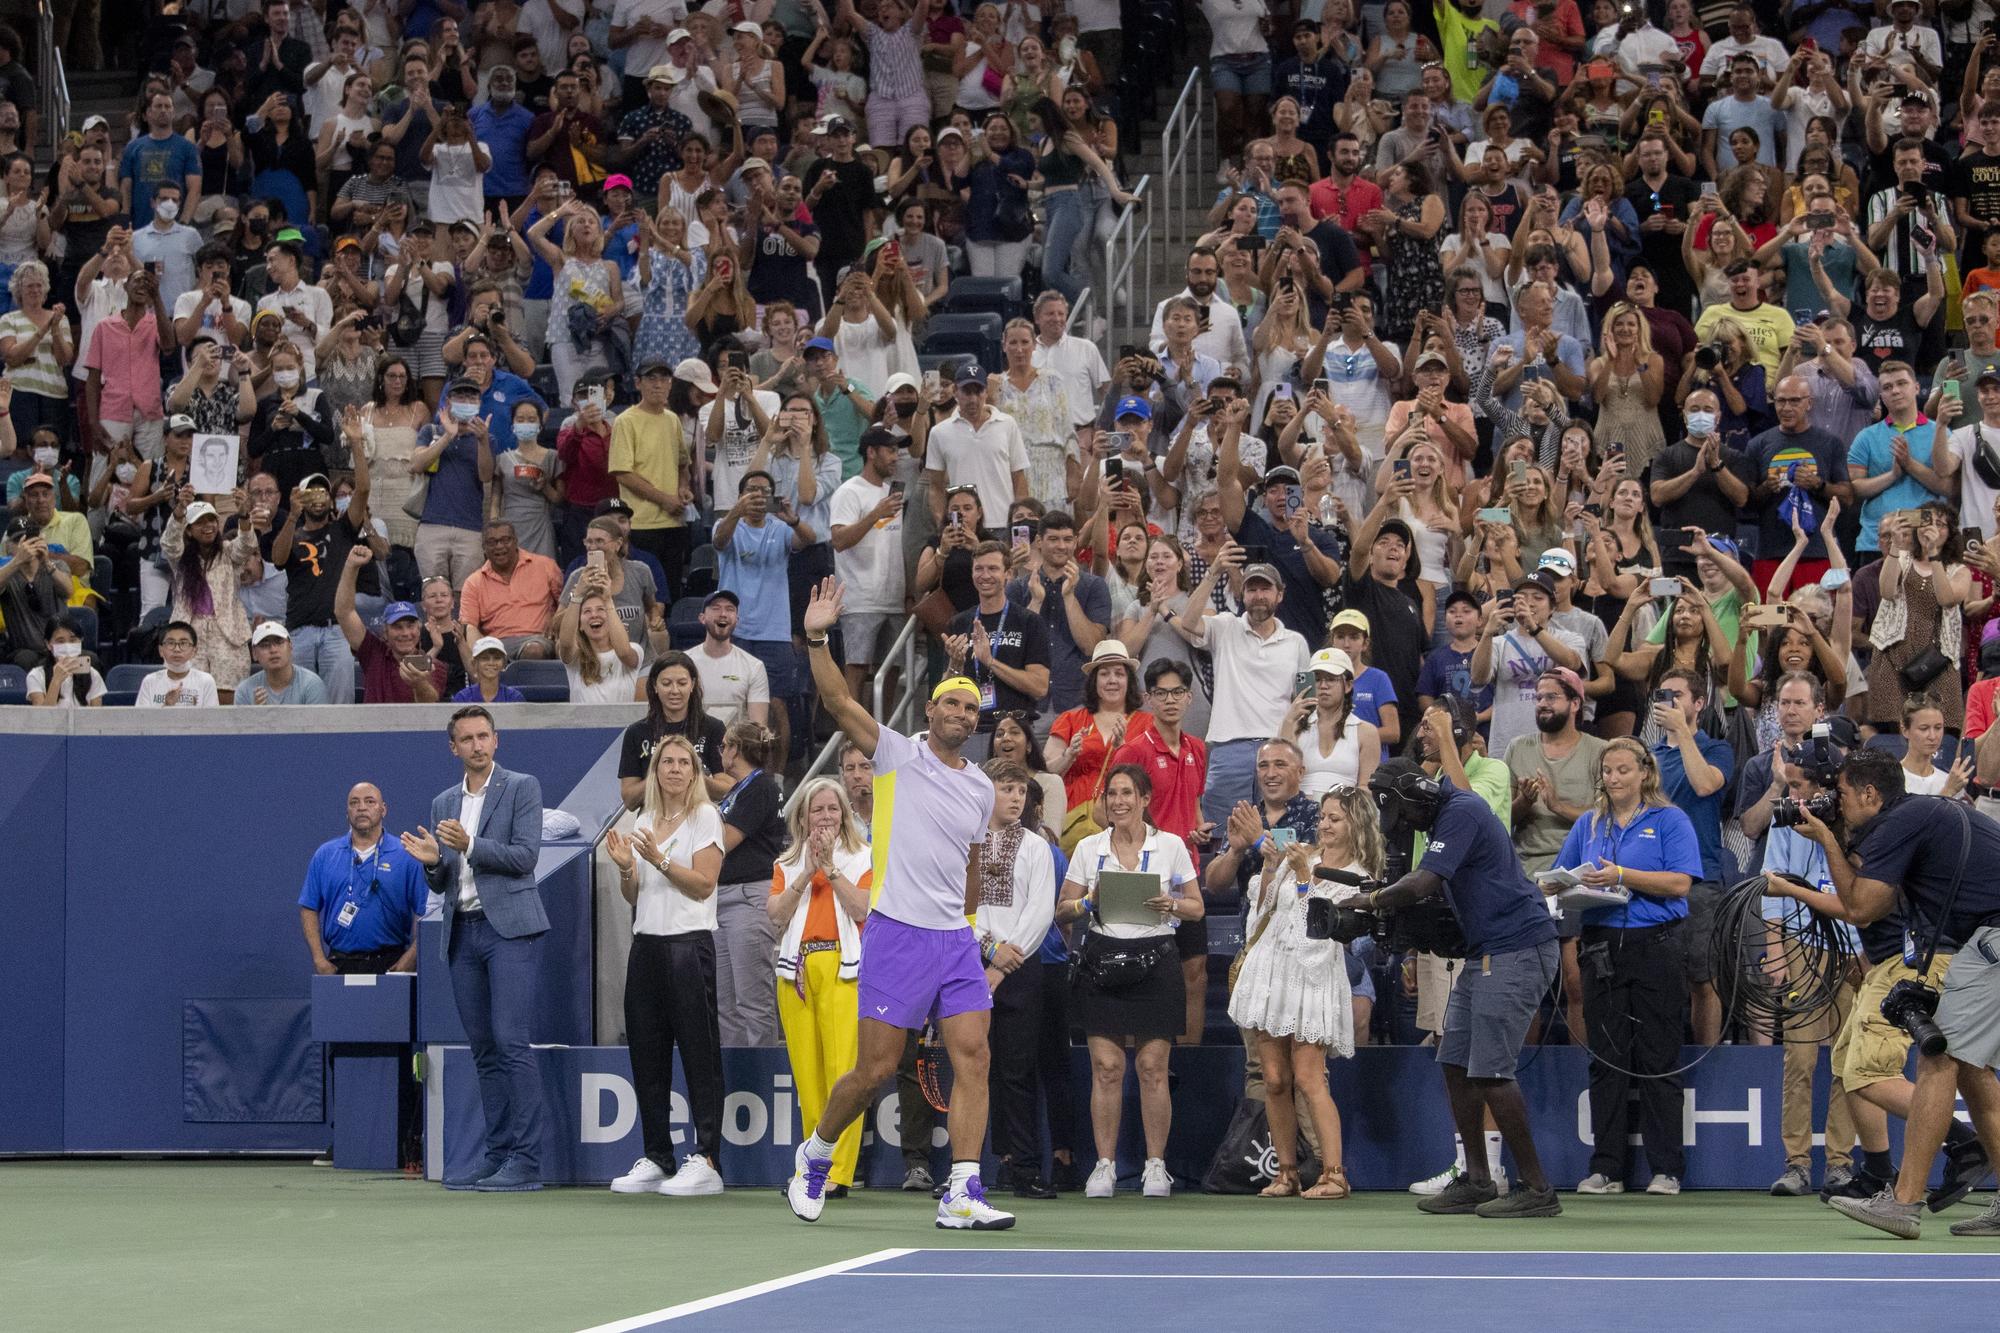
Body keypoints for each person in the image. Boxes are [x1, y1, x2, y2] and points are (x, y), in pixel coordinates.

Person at [784, 578, 1014, 1232]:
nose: (963, 716)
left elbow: (972, 869)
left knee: (975, 1055)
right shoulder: (897, 754)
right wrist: (818, 636)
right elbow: (835, 697)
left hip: (953, 942)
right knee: (874, 1070)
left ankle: (963, 1190)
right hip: (897, 936)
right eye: (953, 705)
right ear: (931, 710)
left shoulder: (980, 791)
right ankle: (816, 1154)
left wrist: (969, 931)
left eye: (972, 711)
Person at [1802, 750, 2000, 1239]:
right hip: (1986, 938)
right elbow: (1877, 900)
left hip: (1991, 939)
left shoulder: (1902, 819)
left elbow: (1863, 908)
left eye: (1842, 796)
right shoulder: (1919, 814)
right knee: (1973, 1072)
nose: (1837, 805)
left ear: (1871, 794)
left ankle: (1904, 1202)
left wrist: (1827, 839)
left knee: (1940, 1061)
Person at [1359, 758, 1562, 1218]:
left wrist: (1370, 900)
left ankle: (1537, 1189)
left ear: (1415, 797)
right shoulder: (1442, 818)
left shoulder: (1462, 808)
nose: (1406, 825)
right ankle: (1476, 1179)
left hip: (1517, 947)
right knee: (1454, 1061)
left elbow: (1424, 882)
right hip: (1486, 950)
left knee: (1491, 1069)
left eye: (1405, 815)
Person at [401, 706, 548, 1192]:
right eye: (466, 739)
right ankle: (498, 1154)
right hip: (461, 931)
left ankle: (526, 1163)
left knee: (510, 1042)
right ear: (454, 747)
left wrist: (470, 844)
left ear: (496, 740)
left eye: (483, 736)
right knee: (484, 1050)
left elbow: (525, 857)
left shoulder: (522, 787)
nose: (477, 745)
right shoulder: (443, 801)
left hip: (509, 931)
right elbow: (445, 877)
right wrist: (429, 865)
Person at [1553, 738, 1703, 1196]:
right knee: (1606, 1058)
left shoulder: (1670, 819)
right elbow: (1562, 878)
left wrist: (1621, 875)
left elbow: (1680, 883)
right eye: (1608, 771)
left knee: (1659, 1057)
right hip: (1600, 948)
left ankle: (1667, 1169)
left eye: (1623, 770)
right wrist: (1558, 886)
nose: (1614, 778)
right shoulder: (1588, 824)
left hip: (1655, 945)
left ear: (1643, 773)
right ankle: (1607, 1168)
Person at [1056, 762, 1202, 1200]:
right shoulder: (1087, 847)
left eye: (1126, 794)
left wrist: (1170, 904)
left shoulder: (1172, 845)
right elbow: (1062, 910)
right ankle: (1104, 1166)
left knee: (1153, 1068)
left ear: (1144, 800)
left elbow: (1196, 907)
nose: (1117, 802)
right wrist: (1088, 901)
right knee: (1107, 1068)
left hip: (1156, 958)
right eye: (1111, 794)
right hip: (1102, 959)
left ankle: (1156, 1166)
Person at [1230, 784, 1383, 1199]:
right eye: (1323, 817)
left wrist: (1301, 879)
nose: (1325, 825)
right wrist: (1269, 867)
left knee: (1310, 1078)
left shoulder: (1360, 877)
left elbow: (1316, 934)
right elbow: (1263, 914)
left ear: (1358, 823)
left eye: (1335, 818)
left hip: (1312, 981)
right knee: (1275, 1080)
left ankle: (1335, 1174)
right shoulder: (1305, 854)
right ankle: (1287, 1172)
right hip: (1272, 975)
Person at [604, 733, 728, 1198]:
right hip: (647, 947)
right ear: (655, 770)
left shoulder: (705, 817)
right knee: (647, 1056)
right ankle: (657, 1155)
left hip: (688, 946)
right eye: (666, 762)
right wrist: (624, 868)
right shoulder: (645, 817)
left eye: (683, 762)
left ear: (695, 774)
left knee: (699, 1054)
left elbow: (703, 885)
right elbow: (635, 895)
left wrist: (657, 856)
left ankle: (708, 1158)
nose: (674, 769)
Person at [768, 776, 874, 1197]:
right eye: (818, 809)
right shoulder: (787, 862)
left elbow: (862, 907)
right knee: (807, 1077)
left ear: (845, 815)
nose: (826, 816)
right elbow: (775, 914)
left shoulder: (864, 858)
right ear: (804, 816)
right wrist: (807, 869)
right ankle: (811, 1166)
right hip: (795, 971)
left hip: (844, 969)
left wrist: (829, 868)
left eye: (833, 809)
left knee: (842, 1073)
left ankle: (837, 1172)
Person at [1176, 551, 1312, 830]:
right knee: (1224, 836)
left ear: (1280, 595)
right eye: (1252, 589)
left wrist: (1294, 749)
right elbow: (1188, 622)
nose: (1259, 595)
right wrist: (1213, 572)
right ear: (1243, 594)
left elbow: (1305, 700)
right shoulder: (1226, 626)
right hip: (1229, 749)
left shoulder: (1296, 642)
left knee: (1281, 832)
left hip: (1279, 748)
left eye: (1266, 588)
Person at [976, 758, 1061, 1199]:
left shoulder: (1036, 846)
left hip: (1022, 968)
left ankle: (1024, 1166)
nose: (1015, 798)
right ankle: (972, 1167)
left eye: (1020, 791)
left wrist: (1005, 959)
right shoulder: (965, 842)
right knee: (974, 1069)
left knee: (1018, 1070)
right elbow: (960, 903)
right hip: (971, 964)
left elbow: (1042, 910)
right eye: (1006, 788)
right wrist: (988, 949)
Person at [712, 719, 789, 1049]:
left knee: (751, 1000)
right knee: (725, 1004)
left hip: (748, 898)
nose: (721, 753)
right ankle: (734, 1077)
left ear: (735, 750)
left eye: (724, 745)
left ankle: (762, 1081)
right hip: (722, 899)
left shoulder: (761, 788)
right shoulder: (736, 790)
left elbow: (723, 841)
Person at [334, 549, 449, 704]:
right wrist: (351, 566)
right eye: (397, 627)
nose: (405, 633)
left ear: (419, 629)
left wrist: (418, 683)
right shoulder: (372, 652)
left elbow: (429, 704)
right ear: (385, 632)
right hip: (373, 727)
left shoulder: (434, 665)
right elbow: (344, 612)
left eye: (410, 626)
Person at [620, 653, 729, 808]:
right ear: (654, 686)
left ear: (692, 685)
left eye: (682, 683)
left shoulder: (713, 728)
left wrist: (693, 775)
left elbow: (728, 790)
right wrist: (659, 775)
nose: (675, 690)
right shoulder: (636, 732)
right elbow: (629, 800)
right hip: (653, 820)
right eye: (666, 683)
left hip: (699, 817)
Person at [459, 521, 565, 661]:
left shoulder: (545, 566)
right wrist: (479, 653)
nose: (499, 546)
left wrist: (556, 621)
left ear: (515, 541)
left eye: (505, 540)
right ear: (484, 548)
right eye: (492, 542)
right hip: (496, 643)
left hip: (538, 639)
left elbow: (565, 605)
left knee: (533, 650)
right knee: (491, 657)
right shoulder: (474, 582)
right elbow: (470, 626)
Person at [235, 620, 330, 705]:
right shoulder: (245, 691)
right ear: (254, 654)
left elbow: (316, 724)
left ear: (290, 646)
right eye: (264, 645)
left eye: (279, 642)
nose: (273, 650)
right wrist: (255, 715)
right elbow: (240, 724)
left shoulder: (311, 684)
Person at [134, 620, 220, 708]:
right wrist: (166, 706)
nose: (177, 649)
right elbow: (142, 719)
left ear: (194, 651)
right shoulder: (150, 681)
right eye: (171, 643)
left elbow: (212, 720)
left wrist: (195, 712)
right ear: (161, 650)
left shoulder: (206, 681)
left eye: (183, 643)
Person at [453, 636, 529, 704]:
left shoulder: (515, 698)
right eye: (485, 658)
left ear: (504, 663)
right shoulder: (462, 698)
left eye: (497, 658)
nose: (491, 663)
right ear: (475, 663)